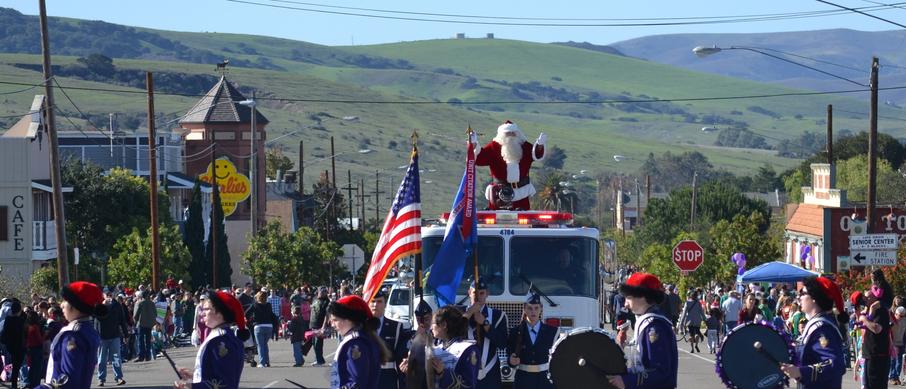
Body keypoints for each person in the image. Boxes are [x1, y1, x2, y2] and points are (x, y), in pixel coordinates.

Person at [609, 272, 678, 389]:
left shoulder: (654, 327)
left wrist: (626, 381)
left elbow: (660, 373)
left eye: (629, 298)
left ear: (643, 297)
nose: (625, 304)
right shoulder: (647, 323)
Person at [779, 276, 846, 388]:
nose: (799, 297)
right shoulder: (816, 325)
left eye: (803, 293)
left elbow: (836, 364)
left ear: (814, 297)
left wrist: (801, 372)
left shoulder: (822, 329)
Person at [38, 281, 106, 389]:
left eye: (65, 301)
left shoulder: (72, 335)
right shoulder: (87, 330)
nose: (61, 305)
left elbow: (68, 379)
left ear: (75, 306)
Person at [174, 290, 248, 389]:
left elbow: (224, 383)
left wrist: (192, 386)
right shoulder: (220, 337)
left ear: (220, 313)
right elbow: (215, 375)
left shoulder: (221, 341)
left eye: (206, 309)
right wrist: (193, 376)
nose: (202, 313)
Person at [473, 120, 546, 210]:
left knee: (523, 219)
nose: (511, 136)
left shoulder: (525, 146)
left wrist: (540, 145)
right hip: (499, 194)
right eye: (508, 133)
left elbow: (535, 154)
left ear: (517, 134)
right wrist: (474, 144)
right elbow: (480, 158)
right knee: (496, 219)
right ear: (502, 135)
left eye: (513, 133)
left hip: (521, 192)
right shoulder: (493, 147)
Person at [401, 306, 479, 389]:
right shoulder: (434, 350)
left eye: (433, 323)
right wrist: (411, 370)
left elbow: (468, 384)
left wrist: (443, 373)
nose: (431, 327)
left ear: (444, 325)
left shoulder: (467, 349)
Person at [327, 294, 391, 389]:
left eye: (335, 320)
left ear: (348, 319)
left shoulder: (355, 344)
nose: (332, 324)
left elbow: (357, 382)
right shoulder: (359, 339)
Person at [464, 278, 509, 389]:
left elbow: (503, 343)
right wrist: (469, 313)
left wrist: (485, 324)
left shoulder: (498, 316)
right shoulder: (459, 313)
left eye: (482, 293)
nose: (478, 296)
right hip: (465, 371)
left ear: (487, 294)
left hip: (490, 374)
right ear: (469, 293)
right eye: (474, 293)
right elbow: (453, 333)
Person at [507, 293, 557, 389]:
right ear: (524, 309)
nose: (533, 311)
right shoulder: (515, 332)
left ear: (541, 308)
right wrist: (511, 361)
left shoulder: (552, 332)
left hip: (545, 380)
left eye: (536, 308)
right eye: (530, 308)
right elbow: (509, 353)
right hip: (523, 380)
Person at [862, 269, 894, 389]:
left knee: (874, 382)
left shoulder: (882, 285)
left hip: (884, 303)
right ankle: (868, 314)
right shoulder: (877, 285)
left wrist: (866, 319)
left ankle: (868, 314)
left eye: (872, 277)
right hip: (874, 353)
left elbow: (879, 294)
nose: (871, 279)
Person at [369, 289, 408, 389]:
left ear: (385, 304)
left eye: (379, 301)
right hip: (367, 376)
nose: (375, 305)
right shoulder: (361, 327)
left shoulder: (396, 327)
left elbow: (400, 357)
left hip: (387, 378)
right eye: (373, 301)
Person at [97, 290, 129, 386]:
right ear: (103, 295)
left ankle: (118, 377)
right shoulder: (99, 305)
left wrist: (126, 335)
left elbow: (122, 320)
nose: (109, 296)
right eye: (107, 295)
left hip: (115, 335)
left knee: (116, 358)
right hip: (102, 336)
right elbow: (97, 318)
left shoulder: (117, 305)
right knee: (102, 359)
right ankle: (101, 379)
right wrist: (103, 306)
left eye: (110, 294)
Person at [246, 291, 278, 367]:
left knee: (260, 345)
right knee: (264, 344)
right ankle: (267, 361)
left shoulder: (254, 305)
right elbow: (271, 315)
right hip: (269, 326)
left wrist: (251, 320)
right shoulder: (269, 305)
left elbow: (246, 313)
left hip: (259, 326)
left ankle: (262, 362)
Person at [1, 299, 25, 389]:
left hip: (10, 346)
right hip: (20, 346)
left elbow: (4, 333)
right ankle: (14, 385)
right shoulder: (21, 320)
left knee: (14, 366)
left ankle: (14, 385)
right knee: (17, 367)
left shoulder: (8, 319)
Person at [133, 290, 156, 362]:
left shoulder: (139, 303)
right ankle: (148, 356)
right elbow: (155, 314)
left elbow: (136, 315)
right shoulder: (152, 303)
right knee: (148, 340)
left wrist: (135, 322)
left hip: (141, 323)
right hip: (149, 324)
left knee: (141, 340)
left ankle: (141, 356)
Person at [310, 287, 331, 366]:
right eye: (321, 291)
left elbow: (327, 315)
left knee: (318, 343)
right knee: (314, 343)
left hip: (320, 325)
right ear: (318, 292)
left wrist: (324, 326)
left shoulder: (326, 302)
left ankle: (320, 361)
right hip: (313, 324)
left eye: (324, 291)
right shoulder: (315, 299)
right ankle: (318, 359)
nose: (323, 293)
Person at [890, 306, 906, 385]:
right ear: (895, 314)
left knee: (899, 361)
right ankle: (893, 377)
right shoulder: (891, 321)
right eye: (899, 315)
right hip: (893, 343)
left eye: (902, 316)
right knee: (893, 361)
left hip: (901, 343)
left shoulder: (904, 321)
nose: (900, 317)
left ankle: (896, 377)